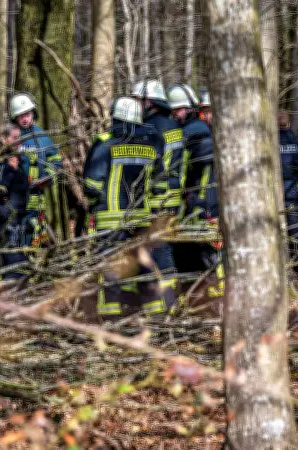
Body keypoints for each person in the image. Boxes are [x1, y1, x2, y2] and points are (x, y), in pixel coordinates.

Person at [83, 96, 169, 319]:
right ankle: (156, 315)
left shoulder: (105, 142)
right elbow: (160, 185)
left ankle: (111, 316)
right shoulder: (151, 143)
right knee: (144, 264)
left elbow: (92, 185)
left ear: (115, 117)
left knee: (110, 267)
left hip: (111, 219)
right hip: (141, 217)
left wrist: (93, 204)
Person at [166, 83, 224, 300]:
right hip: (197, 210)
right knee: (192, 257)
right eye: (205, 111)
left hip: (205, 210)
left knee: (210, 258)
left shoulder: (197, 134)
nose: (175, 115)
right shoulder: (205, 134)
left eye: (178, 110)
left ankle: (216, 301)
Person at [130, 79, 184, 305]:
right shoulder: (174, 127)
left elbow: (149, 166)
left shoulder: (149, 129)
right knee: (164, 249)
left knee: (156, 251)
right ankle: (169, 301)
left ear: (148, 102)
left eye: (137, 101)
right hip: (173, 198)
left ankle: (165, 302)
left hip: (154, 200)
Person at [8, 92, 63, 249]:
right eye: (21, 116)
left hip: (37, 197)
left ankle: (35, 256)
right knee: (14, 232)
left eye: (27, 114)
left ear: (33, 113)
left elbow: (55, 161)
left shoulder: (42, 137)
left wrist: (48, 177)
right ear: (15, 117)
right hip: (14, 198)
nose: (25, 119)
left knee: (35, 232)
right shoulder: (9, 137)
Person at [0, 124, 32, 280]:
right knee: (14, 262)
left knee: (21, 260)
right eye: (14, 138)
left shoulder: (19, 158)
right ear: (4, 139)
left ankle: (19, 287)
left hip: (20, 217)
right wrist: (11, 170)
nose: (19, 141)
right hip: (6, 219)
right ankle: (12, 289)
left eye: (20, 138)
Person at [278, 111, 298, 280]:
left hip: (271, 195)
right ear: (288, 124)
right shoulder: (295, 142)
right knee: (294, 230)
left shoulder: (267, 142)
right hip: (291, 193)